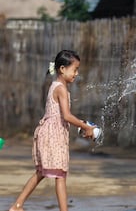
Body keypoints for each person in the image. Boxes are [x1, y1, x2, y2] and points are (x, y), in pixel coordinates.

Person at [9, 50, 95, 211]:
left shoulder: (57, 86)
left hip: (50, 133)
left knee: (41, 172)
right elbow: (67, 116)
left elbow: (63, 116)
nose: (76, 74)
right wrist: (86, 127)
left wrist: (83, 124)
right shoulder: (60, 88)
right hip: (52, 135)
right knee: (60, 175)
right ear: (62, 69)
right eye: (74, 69)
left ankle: (17, 206)